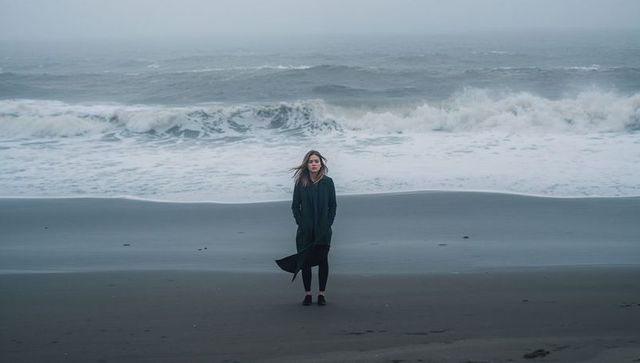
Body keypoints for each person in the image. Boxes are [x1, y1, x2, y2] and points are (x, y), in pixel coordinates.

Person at [285, 150, 337, 306]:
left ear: (321, 164)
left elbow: (333, 206)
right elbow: (295, 207)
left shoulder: (328, 182)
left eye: (316, 161)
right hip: (305, 231)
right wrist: (302, 224)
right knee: (305, 261)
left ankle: (321, 294)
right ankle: (308, 294)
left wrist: (327, 225)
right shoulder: (301, 183)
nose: (314, 164)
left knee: (323, 260)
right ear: (306, 165)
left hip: (323, 230)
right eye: (311, 161)